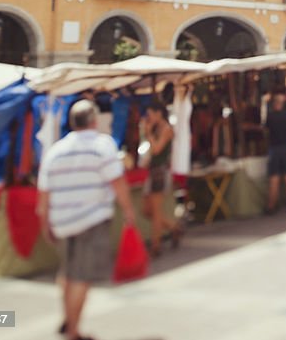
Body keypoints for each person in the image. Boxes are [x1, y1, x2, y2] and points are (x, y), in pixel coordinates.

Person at [37, 100, 137, 340]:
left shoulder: (55, 150)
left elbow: (44, 194)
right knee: (81, 276)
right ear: (94, 120)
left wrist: (45, 225)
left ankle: (68, 318)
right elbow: (117, 181)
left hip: (61, 221)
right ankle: (73, 330)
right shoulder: (102, 145)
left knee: (68, 272)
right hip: (91, 219)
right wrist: (128, 211)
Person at [143, 100, 181, 257]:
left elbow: (157, 149)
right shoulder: (157, 128)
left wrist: (148, 134)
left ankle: (156, 245)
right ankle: (173, 228)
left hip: (160, 171)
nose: (148, 118)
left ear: (158, 113)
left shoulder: (165, 129)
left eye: (151, 114)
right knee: (147, 210)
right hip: (153, 171)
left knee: (156, 210)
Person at [263, 87, 286, 213]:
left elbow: (266, 130)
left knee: (274, 176)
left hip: (275, 148)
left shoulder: (271, 116)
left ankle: (271, 205)